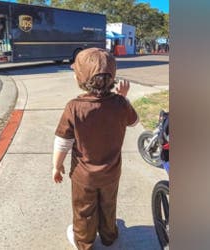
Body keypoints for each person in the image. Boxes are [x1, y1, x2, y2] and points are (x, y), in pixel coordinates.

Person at [52, 48, 138, 250]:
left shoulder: (74, 107)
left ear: (80, 79)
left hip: (84, 176)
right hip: (111, 172)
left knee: (84, 210)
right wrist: (123, 98)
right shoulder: (119, 103)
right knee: (108, 205)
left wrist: (56, 166)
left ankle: (84, 243)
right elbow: (134, 123)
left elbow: (63, 141)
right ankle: (109, 237)